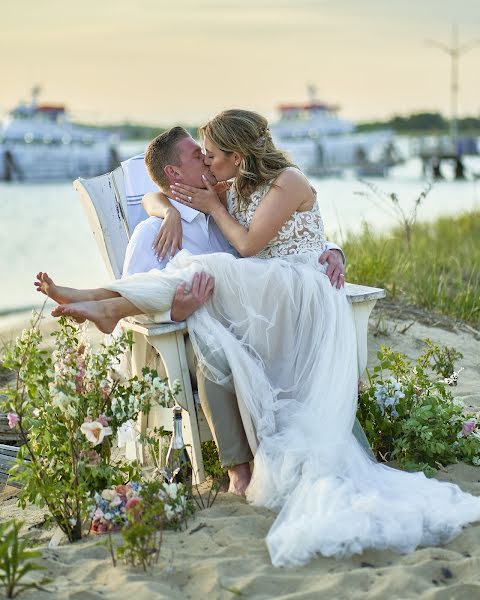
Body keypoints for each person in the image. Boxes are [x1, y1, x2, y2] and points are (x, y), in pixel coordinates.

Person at [36, 110, 480, 567]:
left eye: (211, 155)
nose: (207, 163)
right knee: (194, 272)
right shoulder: (230, 186)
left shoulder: (284, 181)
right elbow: (156, 193)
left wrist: (330, 249)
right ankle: (103, 303)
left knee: (202, 267)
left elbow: (249, 247)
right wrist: (170, 208)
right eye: (200, 156)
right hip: (267, 294)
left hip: (297, 290)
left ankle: (106, 304)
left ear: (237, 155)